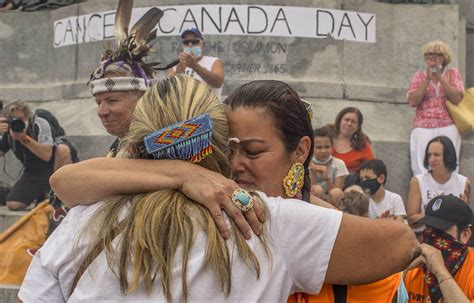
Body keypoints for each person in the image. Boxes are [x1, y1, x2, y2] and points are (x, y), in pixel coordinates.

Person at [33, 78, 421, 301]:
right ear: (214, 146)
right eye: (230, 150)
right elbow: (402, 243)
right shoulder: (266, 221)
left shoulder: (81, 223)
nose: (236, 165)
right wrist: (181, 174)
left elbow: (64, 182)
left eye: (252, 151)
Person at [289, 190, 405, 303]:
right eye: (343, 223)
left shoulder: (391, 279)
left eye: (349, 223)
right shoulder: (391, 276)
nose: (346, 230)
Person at [0, 101, 78, 210]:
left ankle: (60, 197)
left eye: (21, 118)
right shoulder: (9, 131)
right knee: (13, 204)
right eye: (14, 120)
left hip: (55, 165)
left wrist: (23, 139)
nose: (18, 123)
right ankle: (42, 194)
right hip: (34, 171)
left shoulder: (39, 123)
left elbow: (47, 155)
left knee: (62, 149)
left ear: (27, 116)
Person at [407, 40, 464, 176]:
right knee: (421, 165)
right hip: (423, 124)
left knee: (449, 161)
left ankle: (449, 194)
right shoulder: (419, 76)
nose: (431, 57)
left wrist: (441, 79)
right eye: (428, 55)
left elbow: (457, 98)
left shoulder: (452, 74)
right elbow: (413, 101)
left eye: (436, 54)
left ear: (444, 57)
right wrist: (427, 80)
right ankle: (424, 193)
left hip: (447, 123)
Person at [405, 195, 474, 302]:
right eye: (428, 229)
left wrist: (440, 272)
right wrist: (403, 269)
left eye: (440, 231)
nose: (432, 236)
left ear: (465, 235)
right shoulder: (414, 269)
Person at [407, 136, 470, 236]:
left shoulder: (463, 182)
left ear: (448, 156)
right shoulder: (418, 181)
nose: (431, 159)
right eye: (429, 155)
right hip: (424, 238)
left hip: (452, 240)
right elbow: (411, 220)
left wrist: (462, 210)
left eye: (436, 155)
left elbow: (466, 222)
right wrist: (436, 213)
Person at [167, 28, 224, 99]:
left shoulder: (214, 62)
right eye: (186, 42)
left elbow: (218, 83)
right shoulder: (174, 66)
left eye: (195, 41)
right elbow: (167, 90)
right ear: (182, 46)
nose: (190, 45)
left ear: (202, 45)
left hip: (208, 109)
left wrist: (195, 66)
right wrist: (178, 72)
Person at [309, 127, 348, 206]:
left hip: (332, 202)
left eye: (327, 147)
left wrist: (327, 179)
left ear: (332, 146)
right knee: (316, 189)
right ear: (312, 147)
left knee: (336, 192)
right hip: (314, 200)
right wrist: (312, 172)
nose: (323, 151)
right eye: (318, 147)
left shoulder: (339, 164)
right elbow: (309, 190)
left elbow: (337, 192)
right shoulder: (306, 163)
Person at [331, 107, 374, 173]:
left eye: (353, 122)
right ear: (339, 121)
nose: (349, 124)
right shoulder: (325, 137)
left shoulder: (362, 145)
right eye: (346, 120)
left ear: (358, 127)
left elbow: (372, 169)